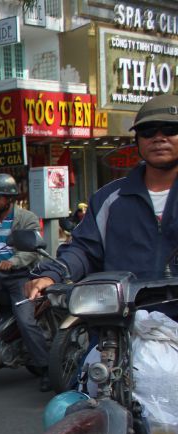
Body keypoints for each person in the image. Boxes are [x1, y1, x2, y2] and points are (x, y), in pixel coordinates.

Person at [27, 94, 178, 298]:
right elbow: (83, 250)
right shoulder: (109, 198)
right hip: (121, 322)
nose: (159, 138)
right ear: (137, 140)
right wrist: (54, 274)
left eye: (171, 129)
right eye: (148, 131)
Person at [0, 172, 50, 391]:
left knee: (26, 321)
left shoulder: (27, 218)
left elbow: (34, 250)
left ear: (10, 198)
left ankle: (46, 369)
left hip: (19, 277)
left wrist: (13, 261)